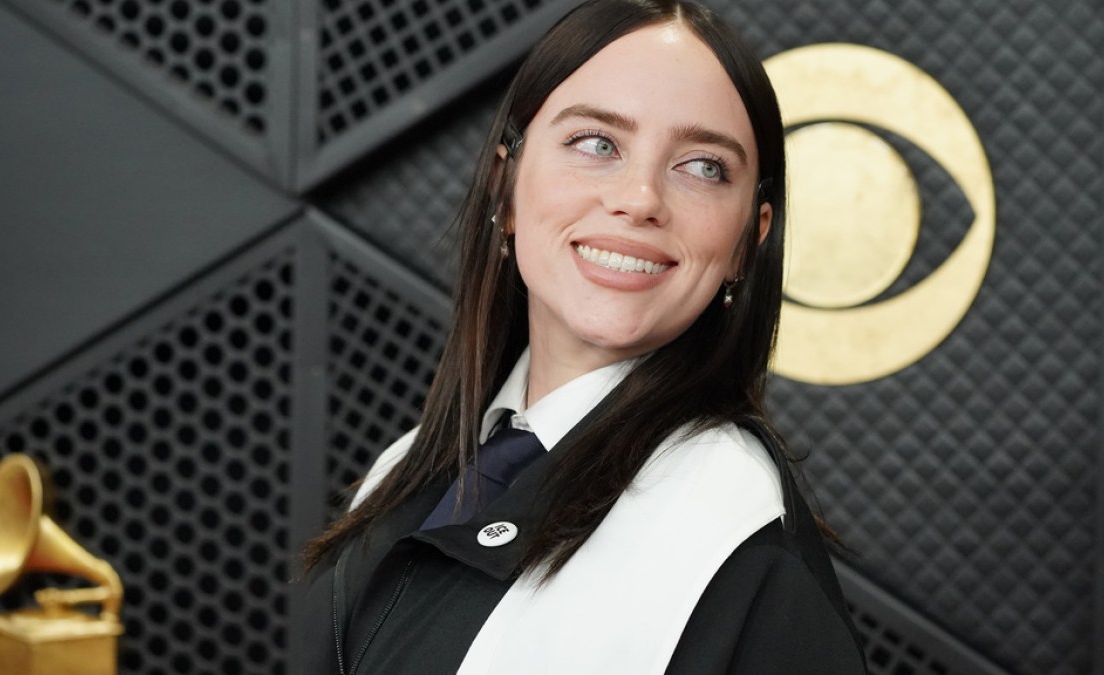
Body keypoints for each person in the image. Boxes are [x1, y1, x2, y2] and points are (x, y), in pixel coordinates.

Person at [298, 0, 866, 672]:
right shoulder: (404, 470)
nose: (640, 198)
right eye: (597, 144)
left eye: (704, 166)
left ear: (750, 238)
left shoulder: (736, 529)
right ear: (505, 186)